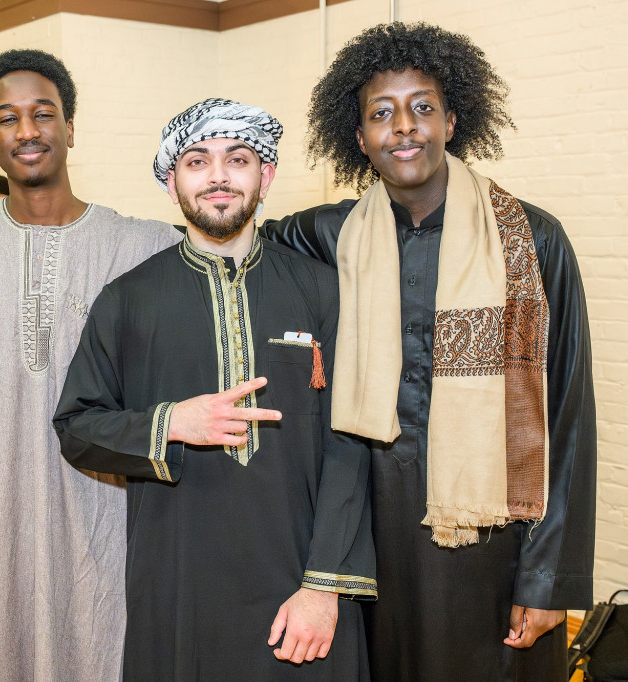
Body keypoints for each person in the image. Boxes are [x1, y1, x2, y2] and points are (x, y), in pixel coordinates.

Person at [260, 22, 596, 681]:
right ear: (359, 139)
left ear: (450, 120)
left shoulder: (534, 242)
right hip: (374, 539)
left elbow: (569, 415)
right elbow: (238, 250)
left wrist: (549, 579)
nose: (404, 127)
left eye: (422, 107)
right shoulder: (327, 236)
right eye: (381, 114)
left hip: (494, 545)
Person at [53, 99, 376, 681]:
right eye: (197, 161)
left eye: (239, 159)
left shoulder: (322, 292)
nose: (219, 177)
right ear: (171, 181)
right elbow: (77, 428)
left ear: (266, 176)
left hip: (299, 581)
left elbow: (352, 447)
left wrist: (323, 586)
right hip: (180, 587)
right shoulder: (128, 300)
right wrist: (169, 424)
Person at [0, 49, 181, 681]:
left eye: (44, 114)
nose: (27, 130)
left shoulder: (141, 245)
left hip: (103, 500)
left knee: (103, 639)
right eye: (7, 118)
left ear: (70, 128)